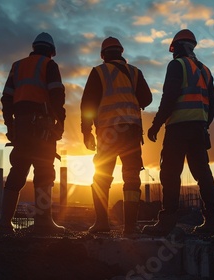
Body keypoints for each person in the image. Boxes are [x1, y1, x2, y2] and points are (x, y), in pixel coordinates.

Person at [142, 29, 214, 236]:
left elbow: (170, 96)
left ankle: (167, 222)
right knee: (203, 173)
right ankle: (213, 221)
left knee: (170, 173)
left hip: (178, 128)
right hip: (199, 129)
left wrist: (156, 124)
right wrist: (205, 124)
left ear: (176, 47)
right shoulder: (204, 70)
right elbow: (213, 102)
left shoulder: (177, 65)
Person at [81, 37, 152, 236]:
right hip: (131, 132)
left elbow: (87, 104)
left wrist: (86, 132)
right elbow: (147, 98)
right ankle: (130, 227)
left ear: (103, 55)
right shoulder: (135, 72)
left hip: (108, 132)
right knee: (131, 178)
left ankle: (102, 223)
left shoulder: (99, 72)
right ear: (121, 52)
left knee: (101, 177)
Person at [0, 32, 66, 234]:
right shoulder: (50, 66)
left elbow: (6, 98)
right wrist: (59, 122)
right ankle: (43, 223)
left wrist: (10, 124)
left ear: (34, 47)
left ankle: (4, 223)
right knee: (44, 172)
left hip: (21, 127)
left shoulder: (17, 66)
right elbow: (56, 96)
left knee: (18, 171)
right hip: (42, 127)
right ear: (51, 51)